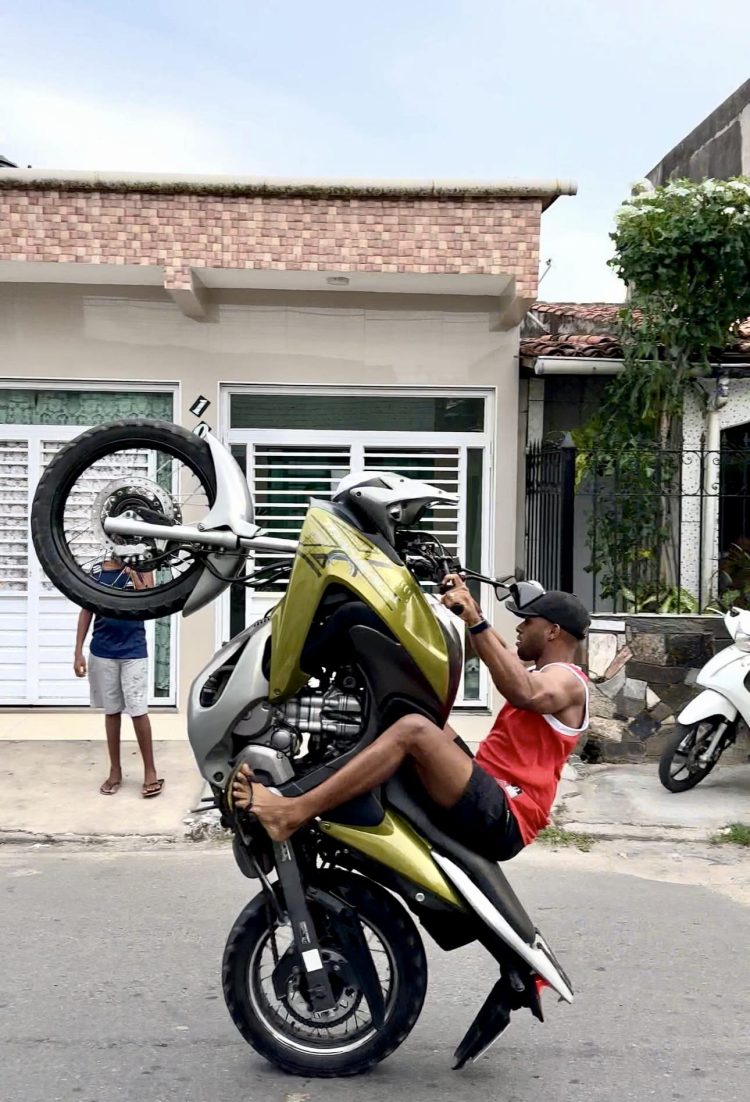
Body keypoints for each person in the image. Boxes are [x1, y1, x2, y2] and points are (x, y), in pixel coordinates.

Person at [232, 578, 590, 861]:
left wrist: (475, 619)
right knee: (412, 709)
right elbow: (495, 647)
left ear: (553, 631)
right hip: (487, 789)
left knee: (414, 730)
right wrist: (467, 606)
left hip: (507, 813)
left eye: (527, 621)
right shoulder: (545, 672)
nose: (519, 628)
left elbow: (524, 690)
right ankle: (305, 780)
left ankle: (292, 813)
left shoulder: (568, 681)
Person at [74, 559, 164, 798]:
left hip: (133, 651)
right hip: (103, 650)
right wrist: (78, 652)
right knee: (112, 711)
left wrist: (135, 574)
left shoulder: (145, 568)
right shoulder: (95, 571)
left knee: (138, 710)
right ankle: (115, 771)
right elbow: (86, 610)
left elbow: (149, 603)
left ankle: (150, 772)